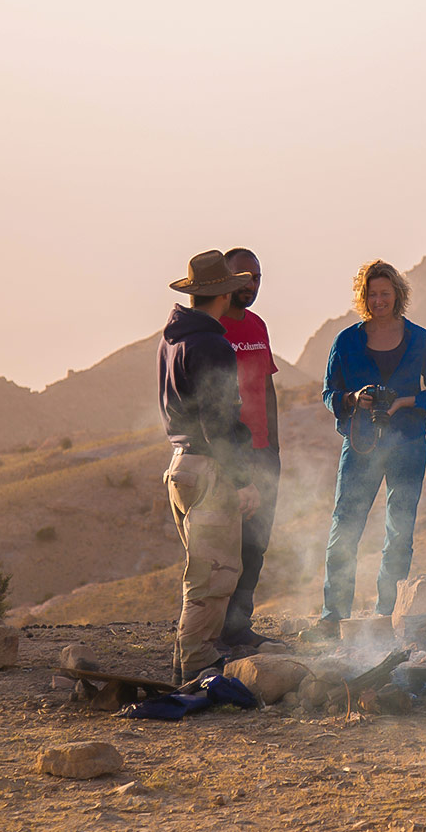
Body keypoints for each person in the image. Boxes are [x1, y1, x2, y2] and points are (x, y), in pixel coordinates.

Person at [305, 259, 426, 641]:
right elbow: (327, 393)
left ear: (397, 295)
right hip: (362, 445)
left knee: (399, 533)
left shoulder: (419, 338)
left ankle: (387, 616)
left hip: (408, 446)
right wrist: (353, 398)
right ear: (363, 297)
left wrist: (404, 401)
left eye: (385, 293)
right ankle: (334, 617)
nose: (379, 299)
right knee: (345, 528)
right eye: (372, 293)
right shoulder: (347, 341)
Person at [157, 250, 261, 683]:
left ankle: (190, 662)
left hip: (179, 465)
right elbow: (219, 421)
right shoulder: (212, 344)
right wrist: (242, 479)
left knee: (201, 571)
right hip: (209, 470)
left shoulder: (172, 339)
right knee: (216, 575)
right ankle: (198, 664)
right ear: (222, 293)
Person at [216, 247, 284, 652]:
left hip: (263, 454)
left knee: (256, 546)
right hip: (229, 455)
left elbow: (268, 386)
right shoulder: (213, 329)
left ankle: (239, 628)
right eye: (243, 277)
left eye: (256, 278)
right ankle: (214, 631)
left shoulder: (257, 326)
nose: (251, 285)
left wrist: (274, 446)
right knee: (225, 546)